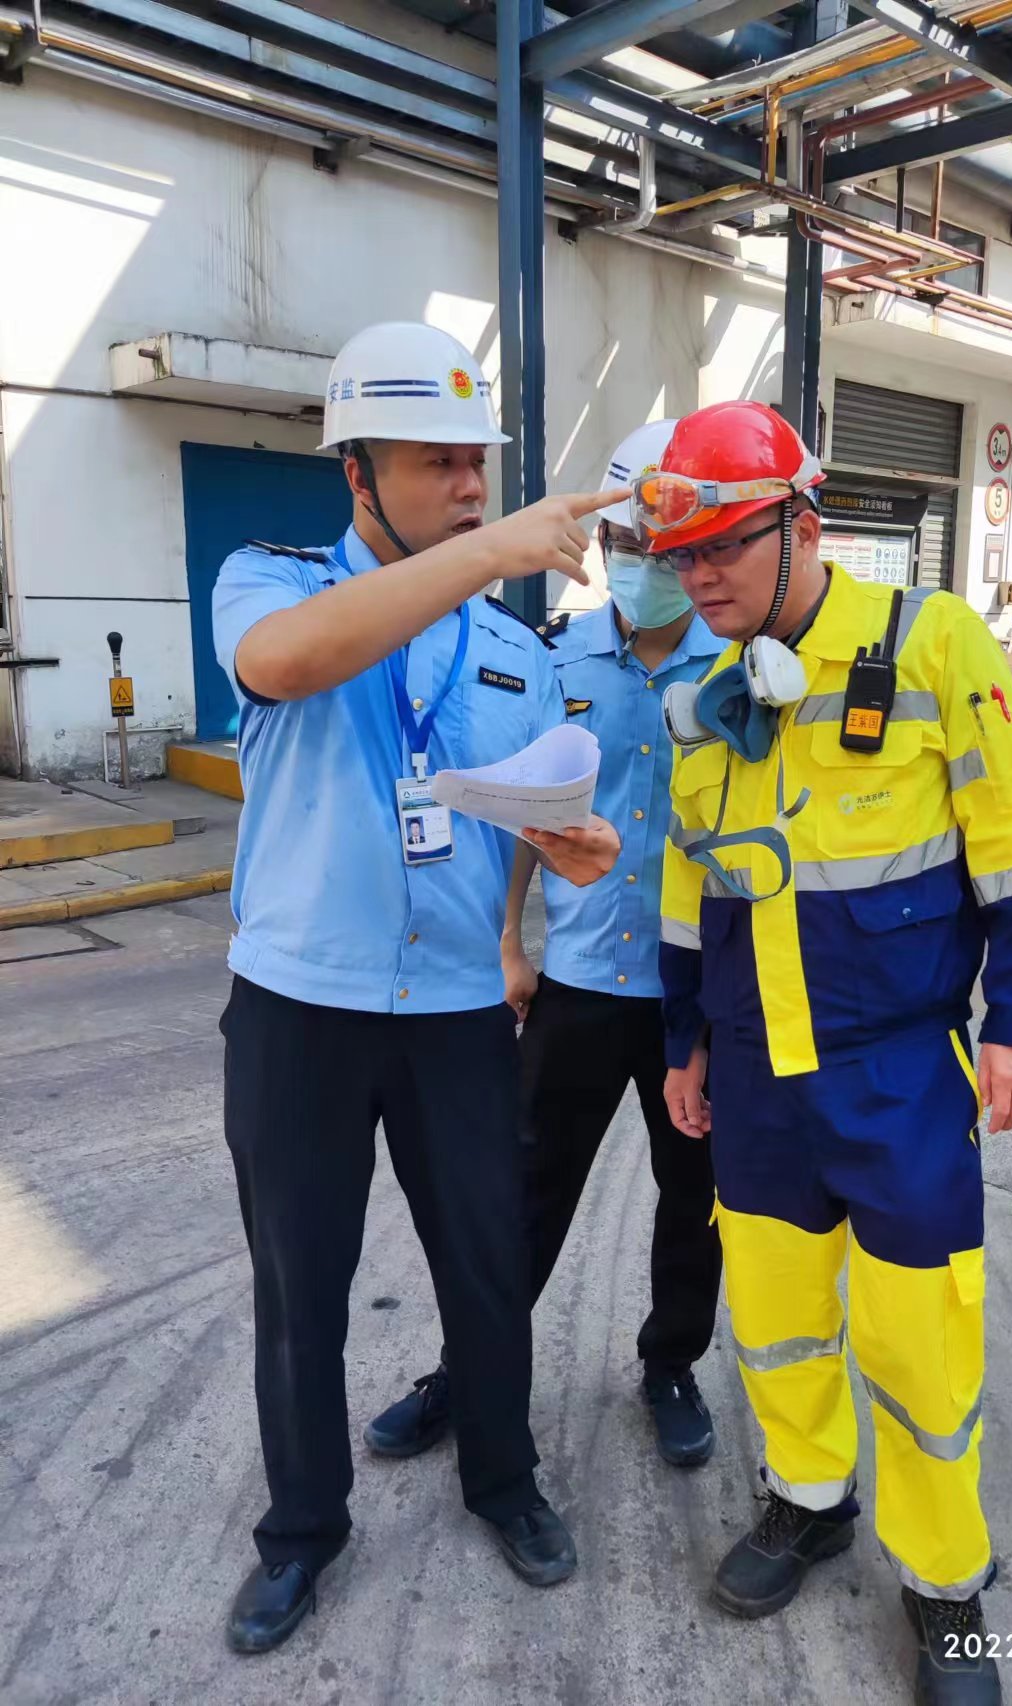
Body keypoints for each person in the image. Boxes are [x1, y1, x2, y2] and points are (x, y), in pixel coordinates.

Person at [212, 320, 627, 1654]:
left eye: (476, 463)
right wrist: (486, 552)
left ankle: (504, 1478)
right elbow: (285, 666)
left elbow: (533, 802)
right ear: (356, 472)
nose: (467, 484)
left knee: (488, 1262)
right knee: (301, 1282)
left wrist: (568, 852)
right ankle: (301, 1528)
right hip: (300, 1006)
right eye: (436, 462)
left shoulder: (511, 649)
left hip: (455, 1010)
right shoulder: (267, 585)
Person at [650, 402, 1012, 1706]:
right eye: (684, 556)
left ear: (803, 522)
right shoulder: (709, 702)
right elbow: (689, 886)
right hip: (755, 1077)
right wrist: (683, 1037)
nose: (700, 576)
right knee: (777, 1320)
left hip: (897, 1075)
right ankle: (808, 1496)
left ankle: (944, 1583)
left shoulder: (931, 643)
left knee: (920, 1339)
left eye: (725, 543)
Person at [365, 420, 725, 1470]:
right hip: (576, 979)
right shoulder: (553, 656)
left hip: (695, 995)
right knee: (521, 1189)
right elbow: (526, 810)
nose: (645, 566)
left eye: (664, 549)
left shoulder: (741, 669)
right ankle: (467, 1367)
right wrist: (508, 945)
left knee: (695, 1196)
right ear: (603, 545)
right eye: (627, 545)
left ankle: (669, 1363)